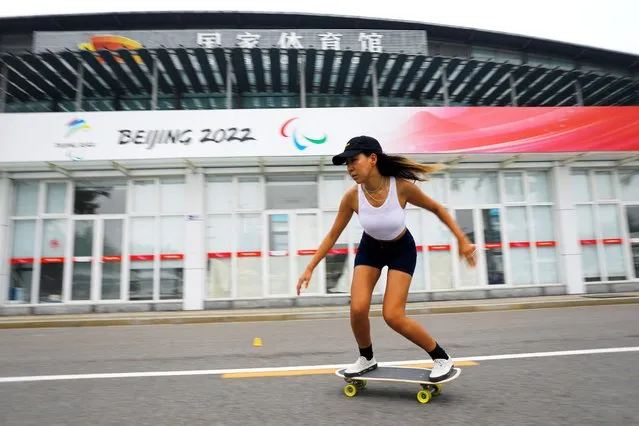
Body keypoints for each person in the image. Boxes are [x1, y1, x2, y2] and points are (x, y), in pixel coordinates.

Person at [296, 135, 477, 382]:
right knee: (357, 309)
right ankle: (366, 358)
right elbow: (332, 235)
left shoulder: (400, 187)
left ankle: (441, 357)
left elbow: (437, 208)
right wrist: (310, 267)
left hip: (401, 249)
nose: (350, 168)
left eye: (354, 160)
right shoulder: (352, 197)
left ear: (372, 159)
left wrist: (462, 240)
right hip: (370, 248)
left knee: (393, 315)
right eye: (346, 163)